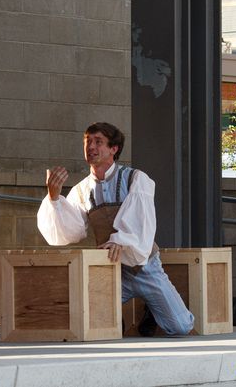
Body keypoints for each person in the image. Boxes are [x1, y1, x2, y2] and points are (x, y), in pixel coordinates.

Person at [37, 122, 194, 336]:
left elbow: (140, 222)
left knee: (181, 327)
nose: (91, 147)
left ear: (114, 149)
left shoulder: (136, 179)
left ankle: (149, 308)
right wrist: (54, 198)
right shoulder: (81, 190)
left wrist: (120, 240)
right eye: (87, 142)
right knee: (86, 319)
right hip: (110, 269)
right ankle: (113, 315)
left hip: (144, 267)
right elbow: (70, 231)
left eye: (98, 142)